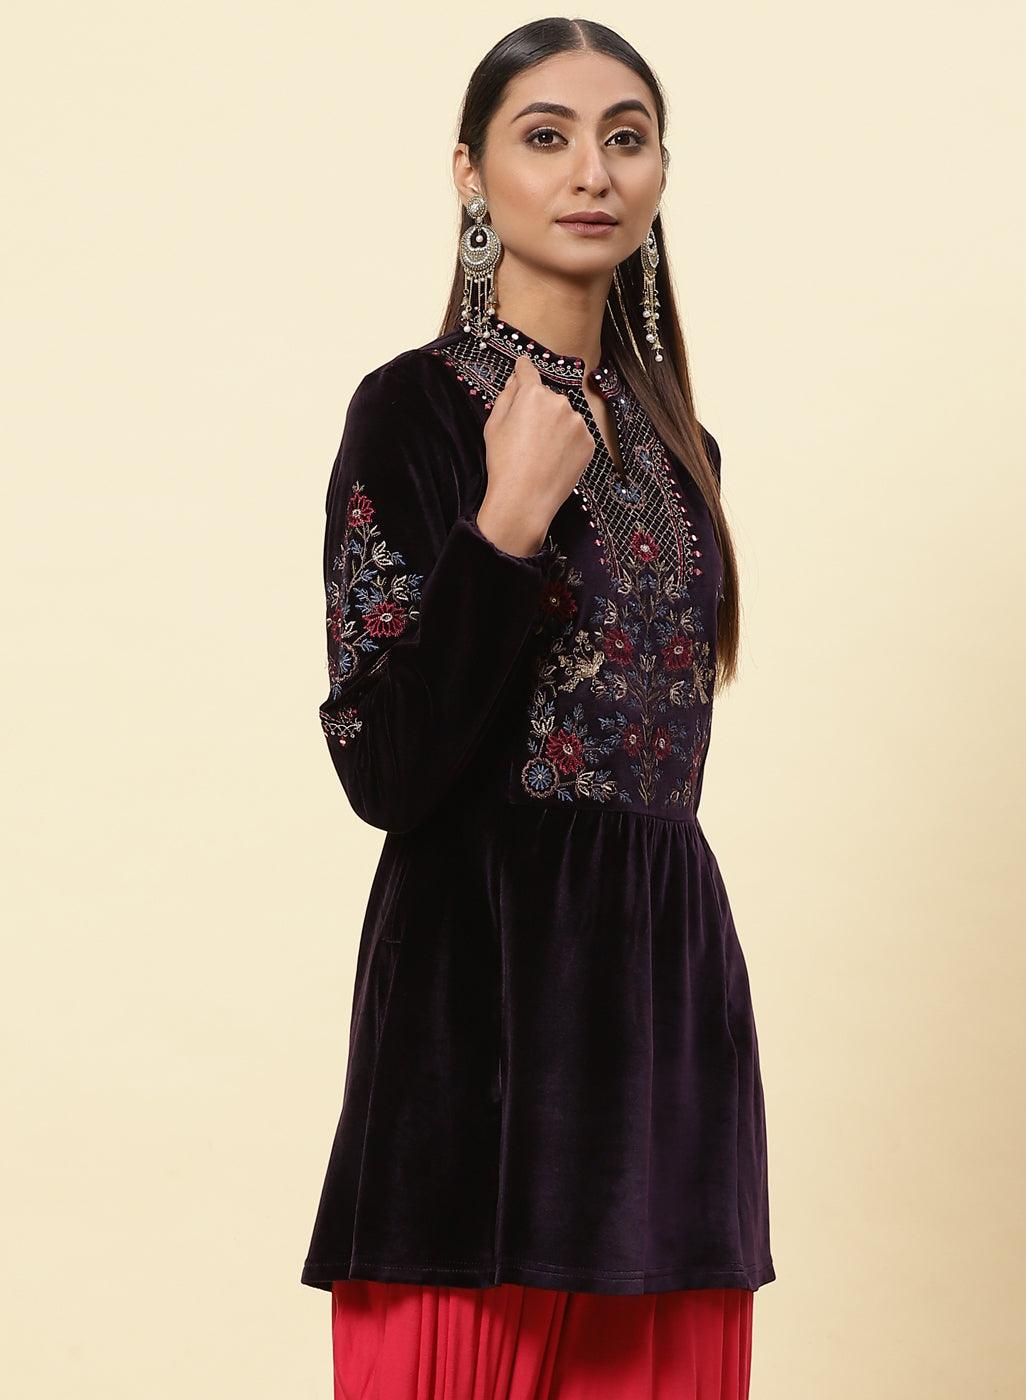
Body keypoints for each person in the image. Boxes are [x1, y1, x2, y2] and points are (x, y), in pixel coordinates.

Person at [302, 17, 775, 1399]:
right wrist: (506, 518)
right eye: (545, 136)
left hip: (661, 992)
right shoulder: (414, 410)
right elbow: (385, 769)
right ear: (471, 172)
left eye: (625, 138)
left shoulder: (683, 447)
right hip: (481, 1003)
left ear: (661, 173)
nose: (591, 172)